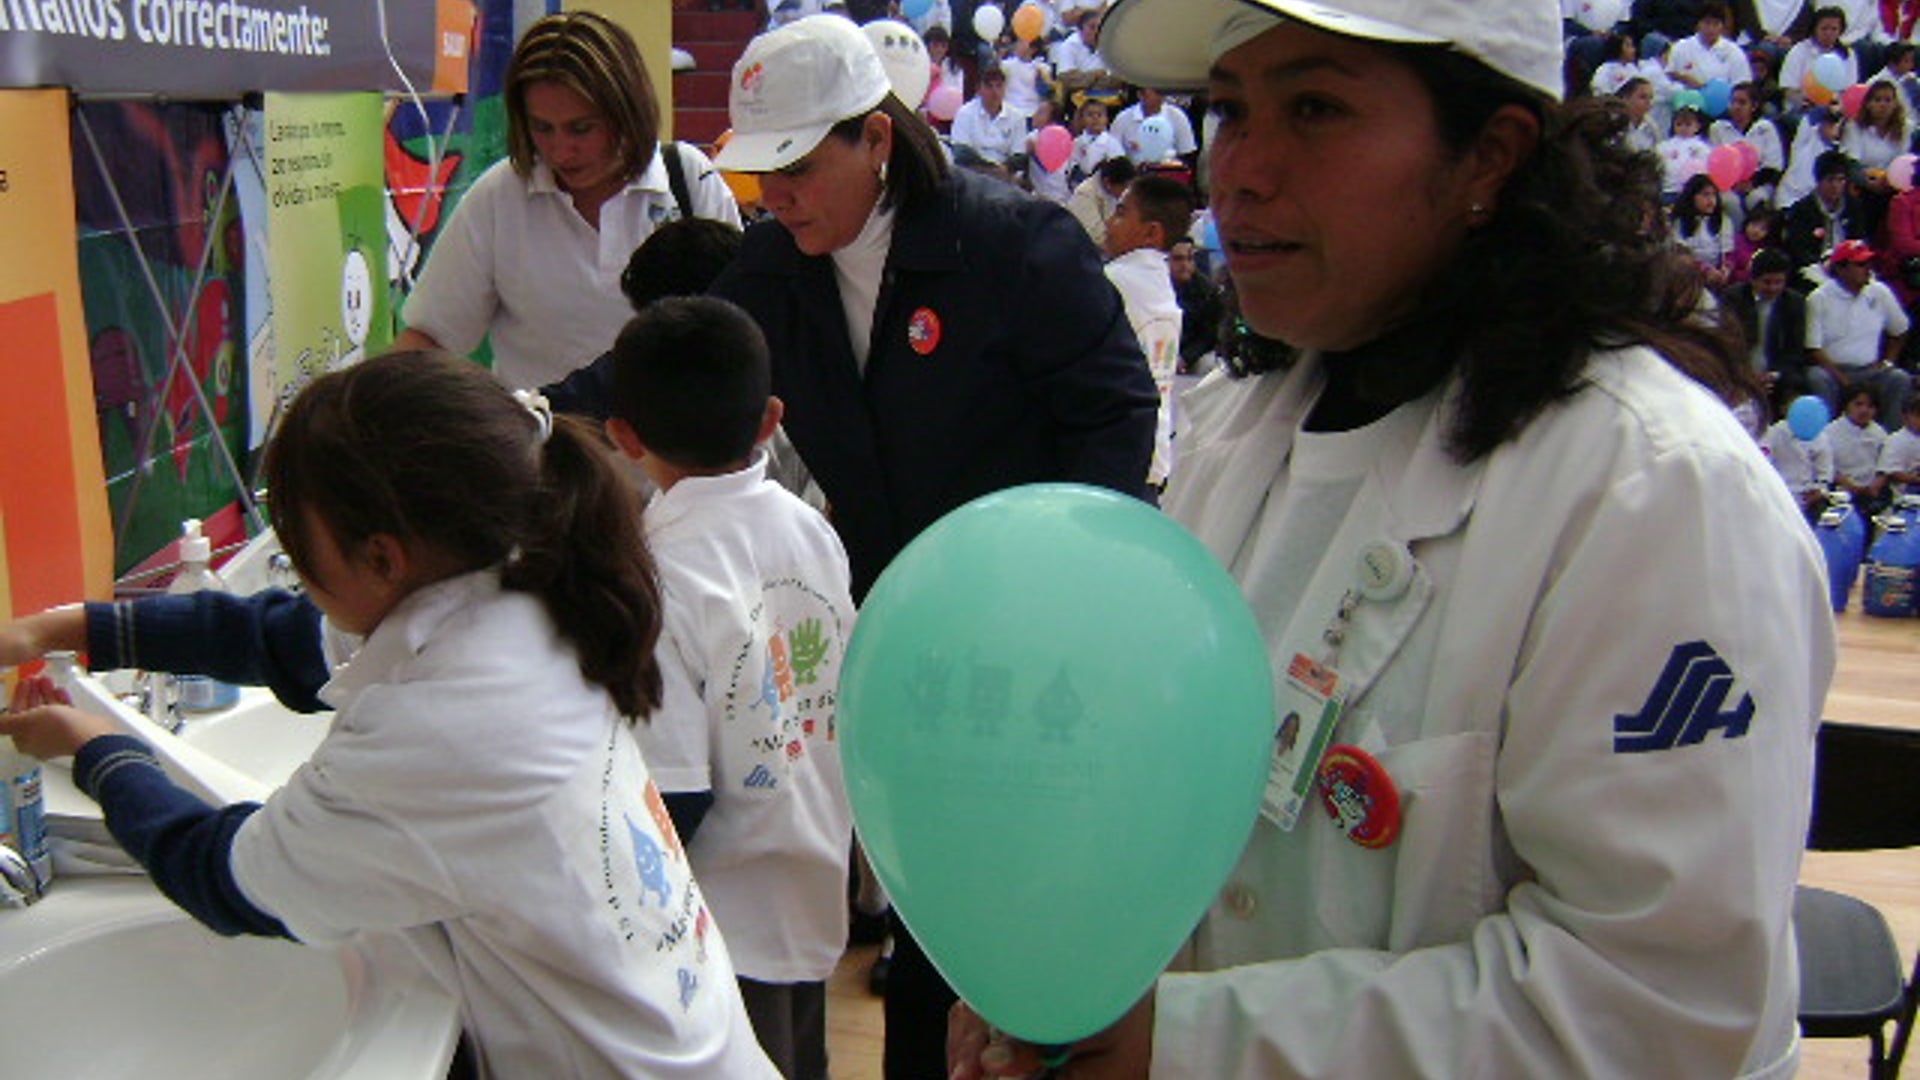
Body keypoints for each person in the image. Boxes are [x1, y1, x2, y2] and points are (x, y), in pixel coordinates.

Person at [949, 0, 1834, 1076]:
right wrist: (1045, 976)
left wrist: (1184, 1047)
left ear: (1489, 158)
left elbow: (1657, 1006)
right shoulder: (1236, 432)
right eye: (1230, 109)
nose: (1242, 170)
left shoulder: (1655, 497)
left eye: (1316, 107)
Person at [0, 351, 778, 1079]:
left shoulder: (445, 725)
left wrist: (93, 744)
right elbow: (287, 640)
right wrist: (64, 628)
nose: (301, 580)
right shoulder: (517, 578)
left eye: (305, 555)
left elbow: (228, 878)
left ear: (382, 559)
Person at [706, 15, 1158, 1079]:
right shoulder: (774, 268)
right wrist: (539, 417)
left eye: (800, 166)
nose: (776, 194)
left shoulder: (1012, 248)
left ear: (876, 138)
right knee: (924, 916)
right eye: (759, 170)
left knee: (1017, 916)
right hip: (903, 645)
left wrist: (1053, 577)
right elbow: (678, 358)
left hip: (1028, 650)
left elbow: (1116, 413)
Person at [603, 297, 856, 1080]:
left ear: (623, 435)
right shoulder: (807, 524)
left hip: (718, 917)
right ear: (769, 419)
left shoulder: (653, 571)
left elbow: (674, 793)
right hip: (813, 870)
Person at [393, 12, 741, 390]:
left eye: (581, 128)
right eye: (542, 128)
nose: (561, 149)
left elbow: (743, 327)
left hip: (677, 443)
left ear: (626, 111)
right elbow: (428, 339)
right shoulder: (499, 196)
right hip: (546, 442)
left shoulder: (688, 178)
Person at [1103, 174, 1194, 487]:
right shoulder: (1159, 283)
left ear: (1151, 232)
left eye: (1120, 213)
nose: (1108, 222)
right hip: (1155, 452)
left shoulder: (1114, 281)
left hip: (1117, 452)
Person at [1807, 239, 1913, 419]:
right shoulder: (1819, 297)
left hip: (1870, 371)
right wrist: (1843, 379)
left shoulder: (1879, 292)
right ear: (1841, 269)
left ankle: (1887, 439)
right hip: (1833, 370)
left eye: (1869, 263)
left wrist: (1887, 362)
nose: (1867, 269)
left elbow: (1900, 330)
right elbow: (1813, 348)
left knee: (1899, 378)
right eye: (1860, 264)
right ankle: (1824, 437)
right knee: (1816, 377)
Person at [1725, 246, 1814, 409]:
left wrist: (1773, 375)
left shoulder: (1794, 303)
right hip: (1738, 371)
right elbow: (1725, 343)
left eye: (1778, 282)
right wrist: (1747, 376)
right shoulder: (1733, 298)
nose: (1773, 288)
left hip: (1777, 374)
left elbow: (1794, 352)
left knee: (1798, 384)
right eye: (1767, 282)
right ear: (1753, 279)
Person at [1783, 148, 1864, 274]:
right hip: (1814, 268)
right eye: (1830, 180)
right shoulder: (1801, 210)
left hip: (1849, 266)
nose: (1836, 186)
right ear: (1819, 181)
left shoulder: (1854, 207)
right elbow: (1799, 251)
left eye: (1840, 180)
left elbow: (1859, 239)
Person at [950, 65, 1031, 172]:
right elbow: (961, 152)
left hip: (1005, 175)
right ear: (979, 89)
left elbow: (1019, 154)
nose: (995, 92)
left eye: (999, 86)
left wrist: (1004, 169)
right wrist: (990, 169)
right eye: (989, 86)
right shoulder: (965, 113)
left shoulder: (1017, 117)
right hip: (973, 173)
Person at [1761, 408, 1839, 515]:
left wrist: (1820, 490)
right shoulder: (1775, 432)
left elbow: (1825, 472)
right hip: (1779, 493)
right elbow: (1764, 457)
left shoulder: (1821, 438)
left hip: (1809, 496)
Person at [1779, 7, 1858, 112]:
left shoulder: (1847, 54)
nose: (1828, 33)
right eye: (1824, 28)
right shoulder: (1800, 50)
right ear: (1815, 29)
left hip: (1835, 109)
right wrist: (1807, 104)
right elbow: (1789, 90)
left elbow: (1849, 90)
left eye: (1834, 29)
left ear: (1841, 31)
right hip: (1802, 109)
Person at [1825, 383, 1891, 507]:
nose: (1864, 410)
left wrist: (1876, 484)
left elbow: (1886, 465)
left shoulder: (1880, 433)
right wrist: (1846, 483)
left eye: (1870, 406)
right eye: (1858, 404)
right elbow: (1826, 467)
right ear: (1846, 405)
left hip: (1873, 491)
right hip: (1840, 492)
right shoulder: (1830, 432)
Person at [1169, 234, 1225, 374]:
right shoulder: (1155, 286)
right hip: (1160, 351)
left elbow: (1209, 335)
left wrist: (1185, 358)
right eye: (1178, 259)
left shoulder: (1206, 291)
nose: (1184, 265)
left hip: (1193, 354)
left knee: (1207, 365)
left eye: (1189, 259)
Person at [1663, 2, 1755, 87]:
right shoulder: (1681, 47)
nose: (1711, 29)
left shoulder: (1734, 52)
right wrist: (1684, 79)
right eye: (1707, 23)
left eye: (1716, 24)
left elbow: (1743, 84)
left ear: (1722, 26)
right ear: (1698, 24)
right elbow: (1669, 77)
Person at [1671, 172, 1737, 286]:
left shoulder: (1723, 221)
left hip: (1717, 278)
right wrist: (1705, 270)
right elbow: (1679, 254)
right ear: (1692, 197)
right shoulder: (1679, 223)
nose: (1711, 200)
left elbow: (1728, 253)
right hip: (1689, 278)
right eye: (1705, 195)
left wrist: (1725, 270)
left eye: (1714, 194)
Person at [1110, 87, 1199, 166]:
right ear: (1140, 95)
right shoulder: (1123, 118)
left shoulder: (1177, 116)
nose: (1161, 95)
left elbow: (1187, 152)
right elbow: (1113, 154)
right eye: (1156, 91)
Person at [1067, 155, 1139, 248]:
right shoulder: (1084, 195)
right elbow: (1097, 236)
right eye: (1124, 187)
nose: (1126, 191)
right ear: (1107, 183)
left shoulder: (1113, 194)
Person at [1069, 97, 1126, 184]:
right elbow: (1072, 162)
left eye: (1099, 115)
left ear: (1106, 119)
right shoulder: (1077, 142)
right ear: (1082, 119)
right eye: (1090, 115)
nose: (1095, 118)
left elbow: (1118, 165)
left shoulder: (1111, 143)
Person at [1875, 394, 1920, 493]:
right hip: (1905, 492)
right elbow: (1891, 472)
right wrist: (1915, 479)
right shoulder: (1895, 440)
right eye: (1918, 415)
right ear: (1905, 417)